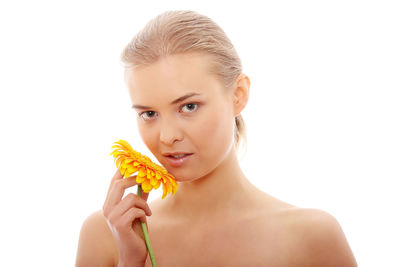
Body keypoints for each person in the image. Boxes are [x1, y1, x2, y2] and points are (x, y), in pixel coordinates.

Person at [76, 10, 358, 267]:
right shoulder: (106, 235)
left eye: (188, 107)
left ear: (238, 95)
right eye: (149, 113)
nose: (167, 137)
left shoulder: (313, 238)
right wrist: (130, 261)